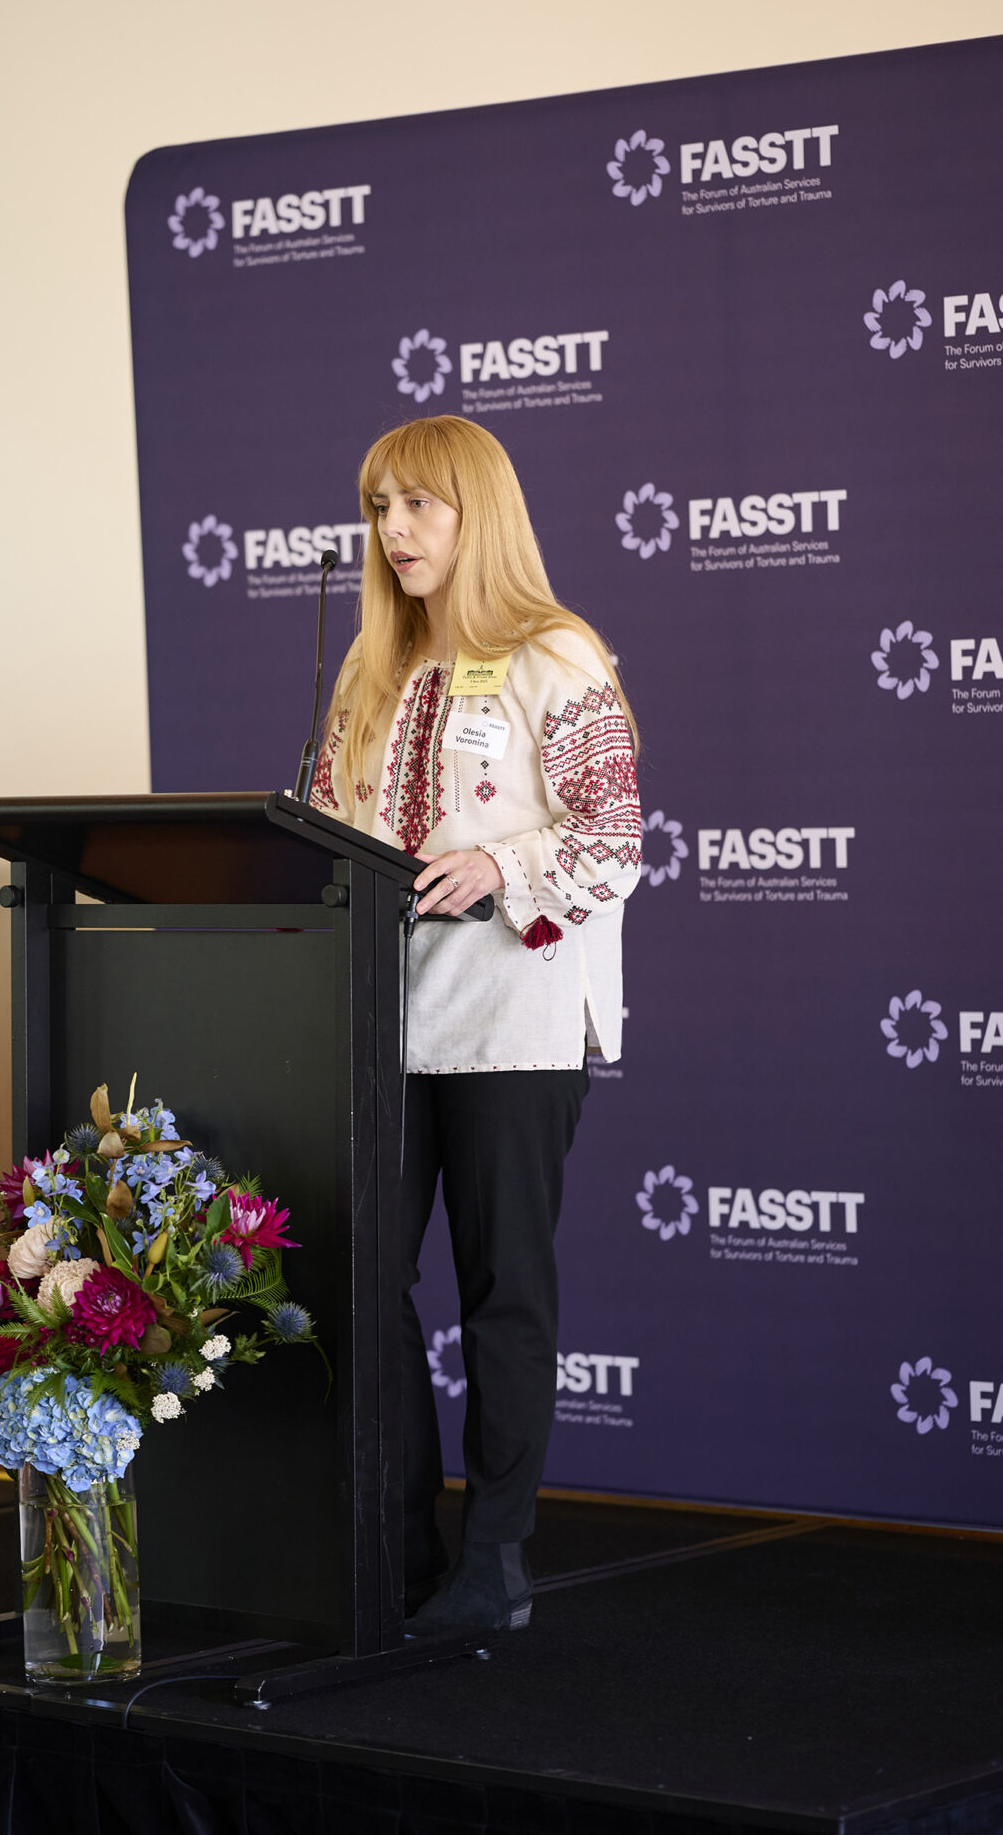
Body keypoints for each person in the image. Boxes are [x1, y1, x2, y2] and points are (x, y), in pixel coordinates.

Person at [310, 414, 641, 1635]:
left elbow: (613, 839)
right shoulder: (368, 669)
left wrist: (501, 864)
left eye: (418, 505)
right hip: (382, 1024)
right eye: (378, 508)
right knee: (364, 1283)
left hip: (512, 1020)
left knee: (502, 1289)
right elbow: (323, 827)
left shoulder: (557, 654)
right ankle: (394, 1551)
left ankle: (493, 1560)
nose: (393, 531)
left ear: (477, 513)